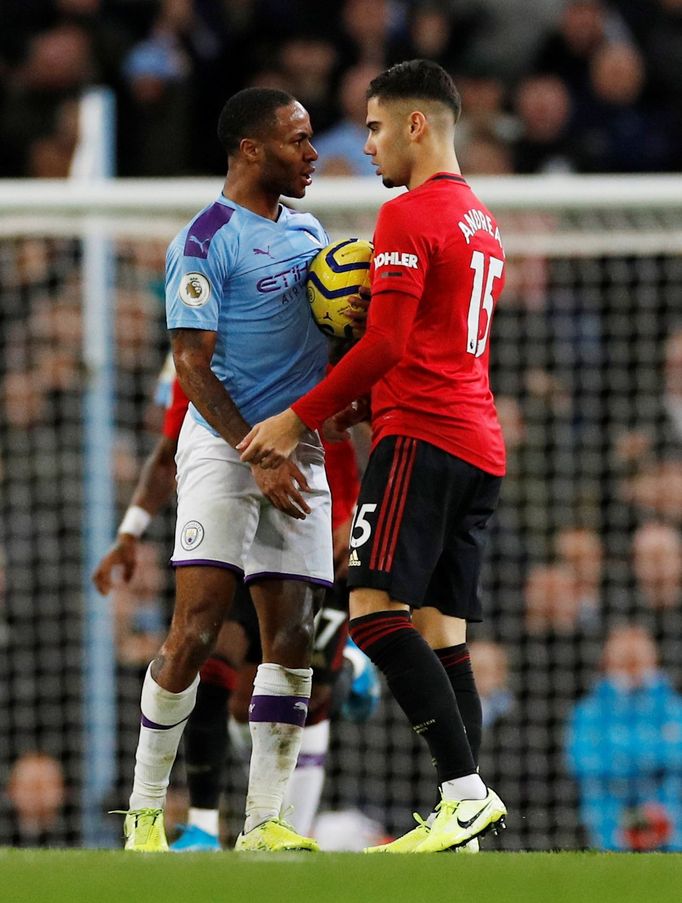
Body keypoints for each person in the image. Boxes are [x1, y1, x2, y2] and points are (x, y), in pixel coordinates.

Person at [239, 59, 508, 852]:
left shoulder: (408, 217)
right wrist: (362, 405)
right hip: (477, 441)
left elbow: (387, 340)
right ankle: (471, 824)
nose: (368, 146)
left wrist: (299, 416)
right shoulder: (479, 218)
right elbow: (432, 346)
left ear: (416, 125)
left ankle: (462, 793)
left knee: (372, 613)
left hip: (423, 438)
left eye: (377, 128)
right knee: (443, 631)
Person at [115, 86, 336, 853]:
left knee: (292, 634)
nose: (312, 154)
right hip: (222, 441)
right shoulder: (206, 239)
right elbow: (191, 369)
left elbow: (328, 340)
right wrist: (257, 452)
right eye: (297, 140)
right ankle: (145, 812)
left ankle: (265, 822)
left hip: (295, 446)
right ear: (251, 149)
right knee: (198, 628)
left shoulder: (311, 232)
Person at [95, 362, 376, 850]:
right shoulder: (199, 362)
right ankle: (202, 822)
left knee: (310, 686)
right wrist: (130, 531)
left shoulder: (309, 326)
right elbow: (167, 451)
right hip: (228, 505)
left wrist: (354, 513)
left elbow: (352, 427)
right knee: (211, 656)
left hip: (313, 506)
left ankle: (284, 820)